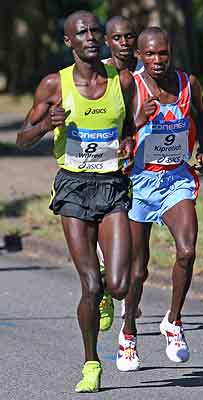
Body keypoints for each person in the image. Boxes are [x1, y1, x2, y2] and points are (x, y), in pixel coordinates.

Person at [16, 10, 136, 393]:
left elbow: (130, 126)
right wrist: (46, 125)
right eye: (80, 32)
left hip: (112, 185)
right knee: (89, 283)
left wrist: (130, 141)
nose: (90, 37)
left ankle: (105, 295)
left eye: (94, 31)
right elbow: (22, 138)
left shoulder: (123, 80)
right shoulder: (55, 85)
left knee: (117, 285)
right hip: (73, 187)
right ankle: (91, 362)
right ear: (68, 42)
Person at [116, 27, 203, 372]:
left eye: (164, 53)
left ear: (172, 52)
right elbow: (118, 130)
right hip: (140, 184)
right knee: (138, 271)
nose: (158, 61)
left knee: (187, 252)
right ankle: (128, 334)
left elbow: (202, 113)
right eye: (151, 55)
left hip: (176, 180)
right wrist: (137, 122)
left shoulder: (189, 84)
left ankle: (174, 322)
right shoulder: (131, 86)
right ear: (140, 56)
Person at [98, 16, 143, 331]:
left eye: (130, 37)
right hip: (108, 171)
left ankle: (127, 299)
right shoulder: (99, 72)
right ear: (107, 41)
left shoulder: (150, 69)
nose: (125, 43)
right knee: (114, 249)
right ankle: (106, 289)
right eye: (118, 38)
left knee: (136, 249)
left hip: (146, 169)